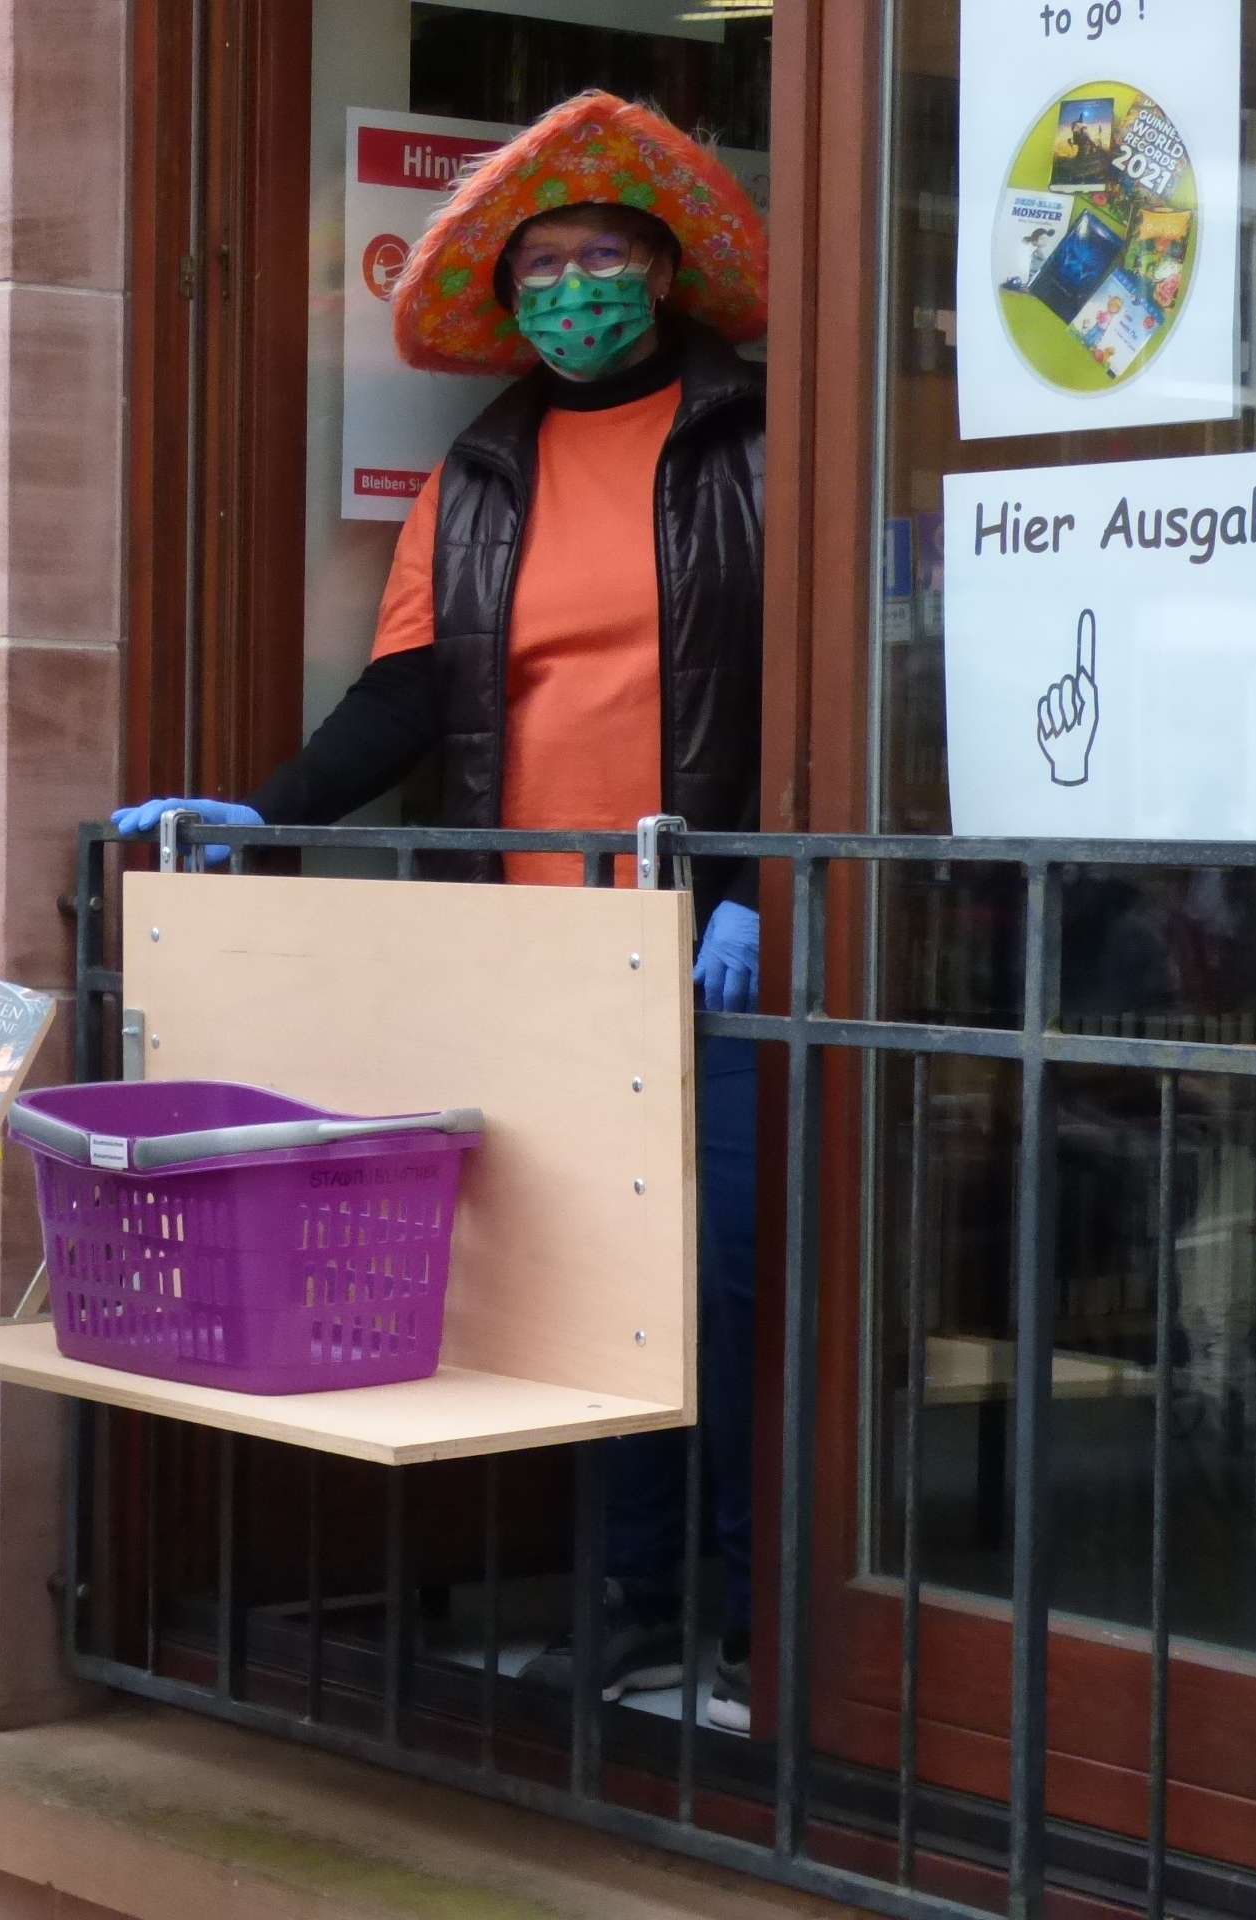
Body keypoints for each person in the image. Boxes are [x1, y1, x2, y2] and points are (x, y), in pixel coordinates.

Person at [114, 93, 768, 1729]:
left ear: (661, 271)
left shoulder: (756, 441)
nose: (570, 291)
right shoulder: (482, 471)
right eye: (541, 269)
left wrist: (756, 882)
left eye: (599, 258)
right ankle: (630, 1599)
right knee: (600, 1283)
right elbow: (410, 692)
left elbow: (816, 679)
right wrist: (265, 811)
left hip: (717, 945)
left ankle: (761, 1614)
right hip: (546, 949)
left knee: (736, 1277)